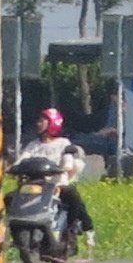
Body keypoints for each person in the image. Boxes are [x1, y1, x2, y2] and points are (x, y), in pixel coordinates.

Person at [13, 106, 95, 253]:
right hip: (35, 186)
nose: (38, 123)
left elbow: (68, 159)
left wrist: (66, 166)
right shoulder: (33, 145)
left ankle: (71, 230)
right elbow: (22, 159)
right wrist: (12, 168)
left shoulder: (63, 143)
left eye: (42, 120)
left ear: (52, 123)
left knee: (72, 195)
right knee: (10, 198)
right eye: (38, 120)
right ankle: (15, 229)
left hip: (57, 183)